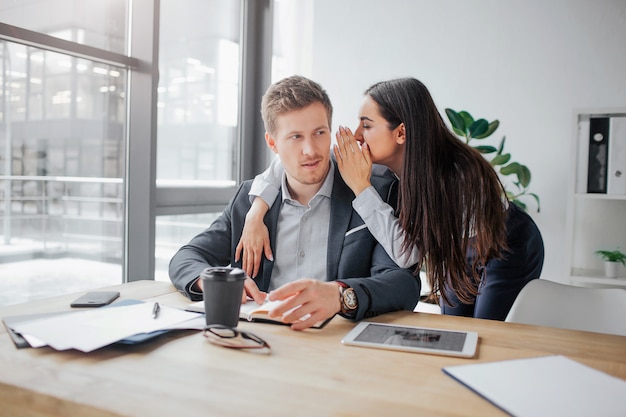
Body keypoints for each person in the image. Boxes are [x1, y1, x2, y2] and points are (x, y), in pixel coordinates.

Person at [238, 77, 544, 321]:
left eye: (367, 125)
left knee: (485, 330)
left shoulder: (454, 176)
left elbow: (406, 255)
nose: (357, 135)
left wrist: (361, 189)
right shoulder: (381, 163)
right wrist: (257, 210)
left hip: (504, 243)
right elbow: (290, 161)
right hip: (460, 249)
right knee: (455, 327)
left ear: (401, 133)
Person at [169, 75, 421, 330]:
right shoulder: (250, 201)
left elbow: (403, 284)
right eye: (296, 137)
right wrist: (214, 281)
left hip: (338, 345)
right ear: (272, 143)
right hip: (261, 339)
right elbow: (187, 257)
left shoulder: (375, 188)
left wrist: (340, 294)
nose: (311, 150)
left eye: (319, 133)